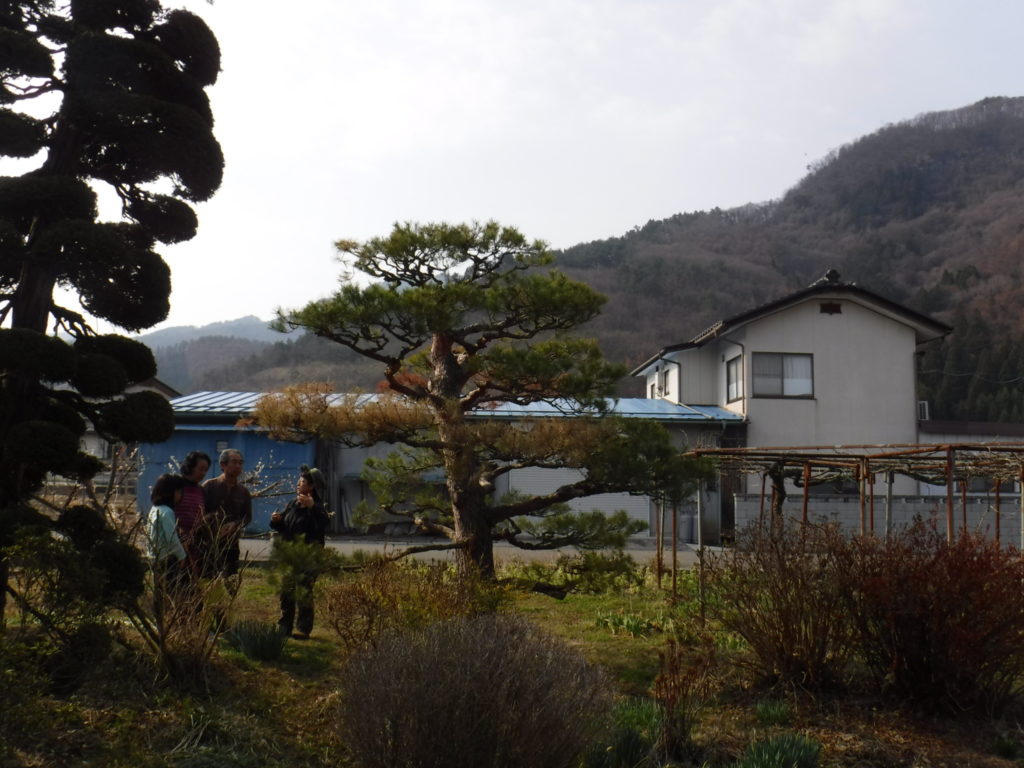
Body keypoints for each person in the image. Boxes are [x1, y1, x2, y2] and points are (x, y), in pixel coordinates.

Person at [270, 465, 329, 639]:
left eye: (302, 482)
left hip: (308, 558)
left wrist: (312, 508)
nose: (298, 484)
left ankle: (303, 628)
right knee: (287, 592)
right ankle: (284, 626)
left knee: (304, 593)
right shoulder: (292, 504)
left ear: (311, 487)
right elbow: (285, 527)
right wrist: (276, 521)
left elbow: (322, 526)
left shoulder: (317, 507)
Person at [202, 448, 252, 577]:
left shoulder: (243, 491)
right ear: (223, 465)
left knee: (230, 580)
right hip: (208, 543)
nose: (238, 466)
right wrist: (210, 520)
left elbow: (247, 517)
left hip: (231, 544)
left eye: (240, 463)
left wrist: (235, 524)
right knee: (208, 580)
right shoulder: (209, 486)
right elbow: (198, 512)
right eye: (234, 462)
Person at [146, 473, 189, 622]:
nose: (180, 495)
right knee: (173, 594)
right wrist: (182, 556)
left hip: (155, 557)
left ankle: (159, 622)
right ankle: (171, 623)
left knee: (159, 593)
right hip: (168, 559)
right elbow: (172, 538)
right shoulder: (167, 512)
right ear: (172, 492)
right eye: (179, 492)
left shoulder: (154, 509)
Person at [174, 451, 210, 570]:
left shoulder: (201, 491)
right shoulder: (175, 486)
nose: (203, 473)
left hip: (194, 545)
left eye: (206, 470)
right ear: (190, 467)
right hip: (174, 542)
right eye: (200, 469)